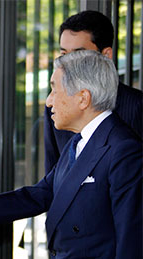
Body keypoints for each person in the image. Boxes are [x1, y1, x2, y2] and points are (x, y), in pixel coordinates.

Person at [0, 50, 142, 258]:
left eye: (54, 90)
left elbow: (131, 241)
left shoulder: (124, 150)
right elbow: (43, 192)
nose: (49, 101)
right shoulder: (79, 141)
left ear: (83, 98)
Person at [44, 10, 143, 174]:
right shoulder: (54, 106)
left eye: (78, 54)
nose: (67, 63)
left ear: (106, 55)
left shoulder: (136, 106)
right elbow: (51, 178)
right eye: (63, 54)